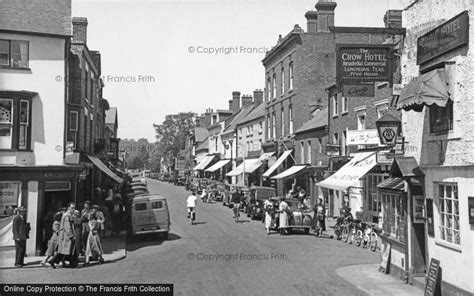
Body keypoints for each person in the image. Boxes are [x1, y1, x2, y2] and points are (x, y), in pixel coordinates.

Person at [50, 202, 77, 268]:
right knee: (68, 250)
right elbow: (68, 227)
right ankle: (72, 263)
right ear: (69, 208)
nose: (73, 209)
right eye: (72, 208)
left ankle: (53, 261)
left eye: (74, 208)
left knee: (65, 251)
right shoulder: (67, 216)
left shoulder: (67, 215)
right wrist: (71, 235)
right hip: (66, 236)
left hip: (65, 236)